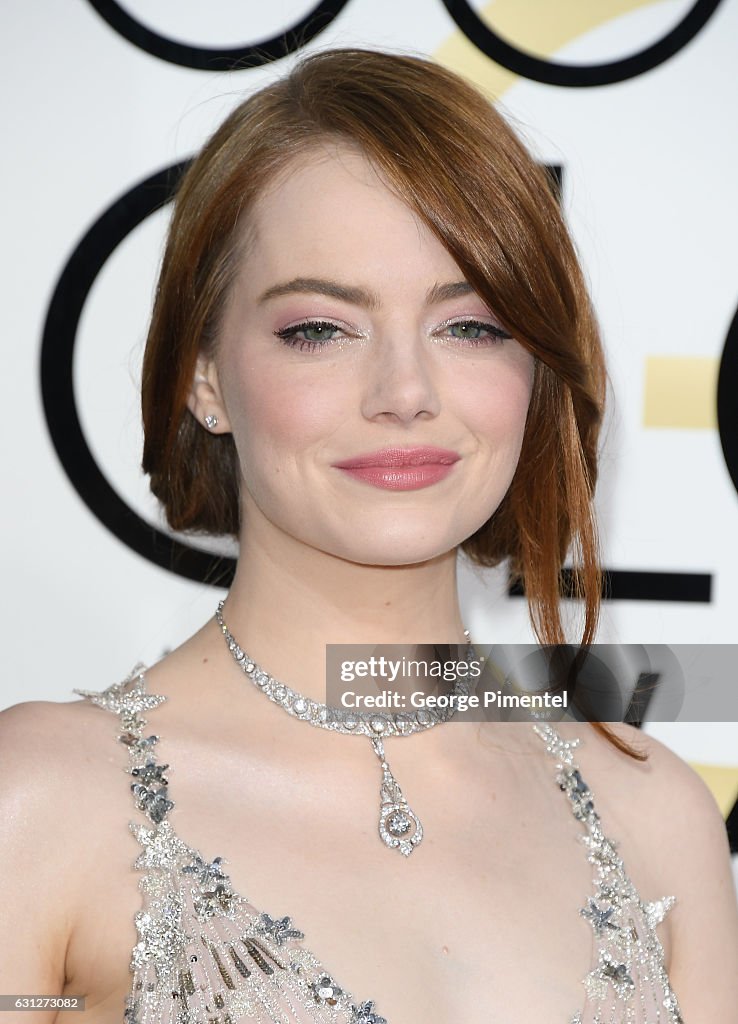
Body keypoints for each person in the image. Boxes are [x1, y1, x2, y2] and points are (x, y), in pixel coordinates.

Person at [1, 47, 736, 1024]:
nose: (405, 393)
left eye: (471, 325)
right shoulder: (44, 801)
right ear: (204, 378)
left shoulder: (654, 815)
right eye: (320, 329)